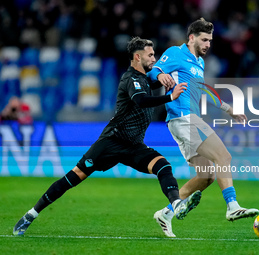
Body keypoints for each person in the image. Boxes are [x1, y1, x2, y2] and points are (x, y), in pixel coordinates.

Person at [13, 37, 201, 236]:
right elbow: (141, 101)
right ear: (138, 57)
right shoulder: (131, 79)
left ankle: (176, 204)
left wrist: (163, 77)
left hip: (133, 146)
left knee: (163, 166)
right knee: (74, 177)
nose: (154, 59)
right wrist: (170, 96)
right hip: (112, 141)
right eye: (150, 55)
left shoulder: (144, 79)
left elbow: (153, 79)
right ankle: (31, 214)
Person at [148, 18, 259, 237]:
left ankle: (167, 213)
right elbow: (153, 72)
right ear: (191, 38)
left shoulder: (199, 63)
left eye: (210, 40)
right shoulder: (176, 53)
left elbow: (205, 90)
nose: (208, 44)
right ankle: (232, 206)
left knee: (207, 175)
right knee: (224, 157)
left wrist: (229, 109)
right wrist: (160, 75)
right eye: (204, 39)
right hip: (183, 117)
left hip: (186, 120)